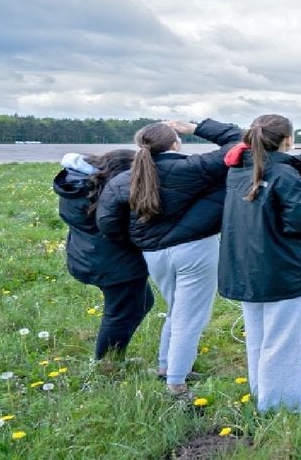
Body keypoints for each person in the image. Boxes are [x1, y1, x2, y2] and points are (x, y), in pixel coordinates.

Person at [97, 118, 242, 397]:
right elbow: (238, 142)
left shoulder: (123, 179)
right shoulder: (193, 167)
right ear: (175, 143)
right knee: (191, 317)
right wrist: (197, 127)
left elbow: (108, 222)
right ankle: (176, 383)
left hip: (153, 253)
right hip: (195, 249)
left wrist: (136, 241)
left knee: (177, 310)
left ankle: (167, 366)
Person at [218, 114, 301, 413]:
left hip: (249, 269)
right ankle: (281, 411)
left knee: (260, 339)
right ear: (287, 140)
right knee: (285, 344)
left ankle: (262, 397)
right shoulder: (281, 176)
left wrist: (299, 166)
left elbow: (273, 185)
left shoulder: (238, 170)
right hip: (284, 270)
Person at [53, 150, 152, 366]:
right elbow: (122, 228)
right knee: (119, 314)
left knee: (142, 303)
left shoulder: (78, 185)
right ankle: (106, 363)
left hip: (89, 256)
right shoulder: (106, 194)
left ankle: (115, 353)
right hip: (115, 264)